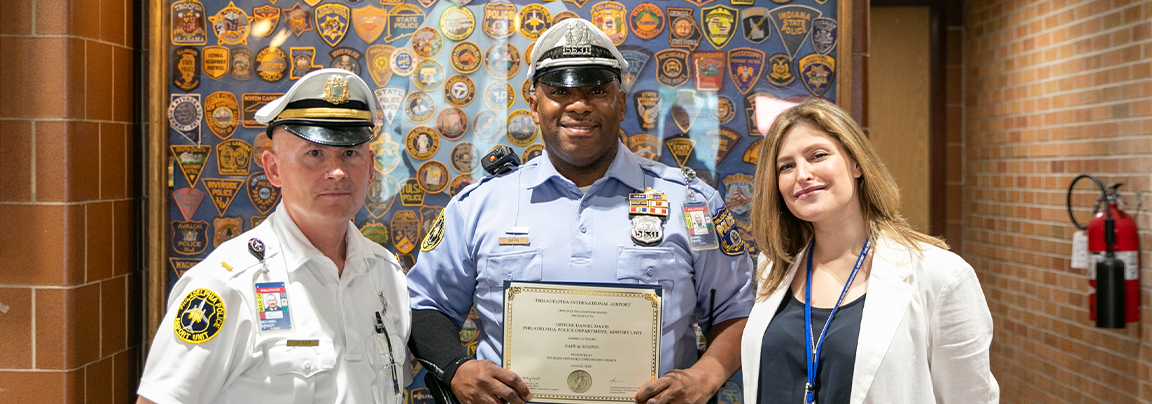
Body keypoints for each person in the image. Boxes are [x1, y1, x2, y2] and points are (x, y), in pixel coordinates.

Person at [407, 18, 754, 404]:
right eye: (559, 91)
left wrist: (705, 377)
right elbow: (424, 305)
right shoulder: (479, 206)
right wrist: (456, 368)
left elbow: (738, 310)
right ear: (535, 106)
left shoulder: (690, 203)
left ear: (621, 103)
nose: (578, 105)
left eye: (597, 91)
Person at [137, 68, 410, 404]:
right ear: (273, 169)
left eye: (350, 153)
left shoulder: (385, 275)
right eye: (315, 154)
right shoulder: (228, 285)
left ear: (370, 166)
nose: (337, 171)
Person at [740, 99, 998, 404]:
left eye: (818, 155)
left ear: (856, 163)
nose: (802, 175)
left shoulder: (941, 276)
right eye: (787, 166)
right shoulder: (772, 268)